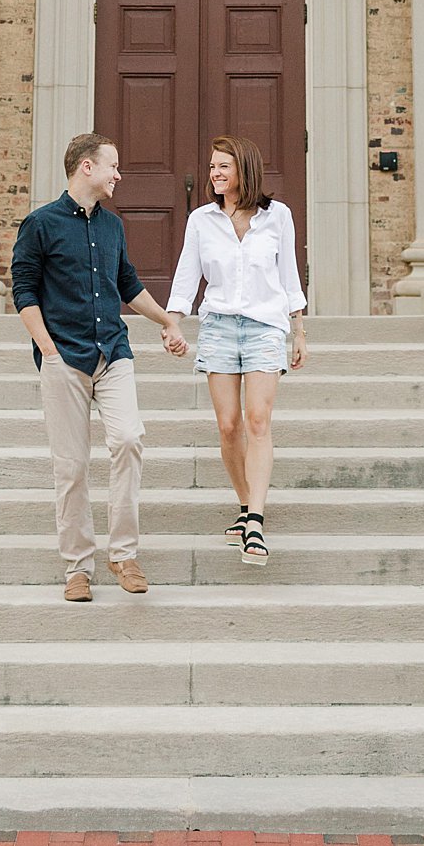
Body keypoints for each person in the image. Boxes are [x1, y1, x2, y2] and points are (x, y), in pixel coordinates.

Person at [11, 130, 189, 603]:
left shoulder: (113, 226)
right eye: (112, 165)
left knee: (129, 439)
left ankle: (124, 555)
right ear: (85, 167)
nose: (119, 174)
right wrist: (48, 352)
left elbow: (127, 283)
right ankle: (78, 567)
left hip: (113, 352)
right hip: (63, 358)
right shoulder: (40, 224)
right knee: (71, 467)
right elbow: (24, 292)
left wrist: (167, 321)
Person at [165, 133, 307, 566]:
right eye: (212, 167)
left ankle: (257, 524)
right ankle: (246, 508)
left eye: (222, 166)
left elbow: (289, 275)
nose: (214, 174)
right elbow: (187, 275)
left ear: (244, 169)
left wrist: (298, 330)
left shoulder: (277, 216)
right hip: (220, 327)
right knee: (229, 426)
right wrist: (173, 322)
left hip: (265, 326)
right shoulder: (201, 220)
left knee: (258, 421)